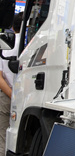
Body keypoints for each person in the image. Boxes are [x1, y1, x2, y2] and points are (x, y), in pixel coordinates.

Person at [0, 12, 22, 155]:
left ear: (13, 27)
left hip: (6, 95)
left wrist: (11, 94)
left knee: (3, 136)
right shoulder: (32, 43)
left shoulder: (5, 44)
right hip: (28, 97)